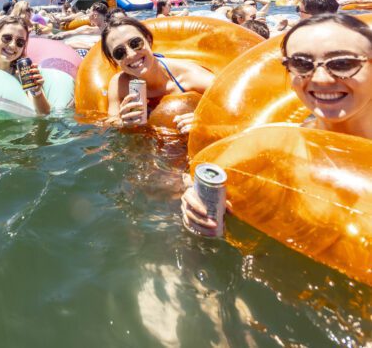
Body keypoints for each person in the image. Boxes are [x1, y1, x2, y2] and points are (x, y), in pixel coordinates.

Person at [181, 13, 372, 231]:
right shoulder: (268, 147)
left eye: (343, 63)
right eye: (301, 64)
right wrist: (195, 200)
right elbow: (195, 178)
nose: (320, 79)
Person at [102, 17, 214, 127]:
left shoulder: (188, 76)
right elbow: (111, 121)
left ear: (149, 40)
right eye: (119, 52)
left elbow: (230, 102)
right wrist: (122, 123)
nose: (131, 55)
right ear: (114, 60)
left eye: (135, 43)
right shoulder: (120, 84)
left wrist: (205, 119)